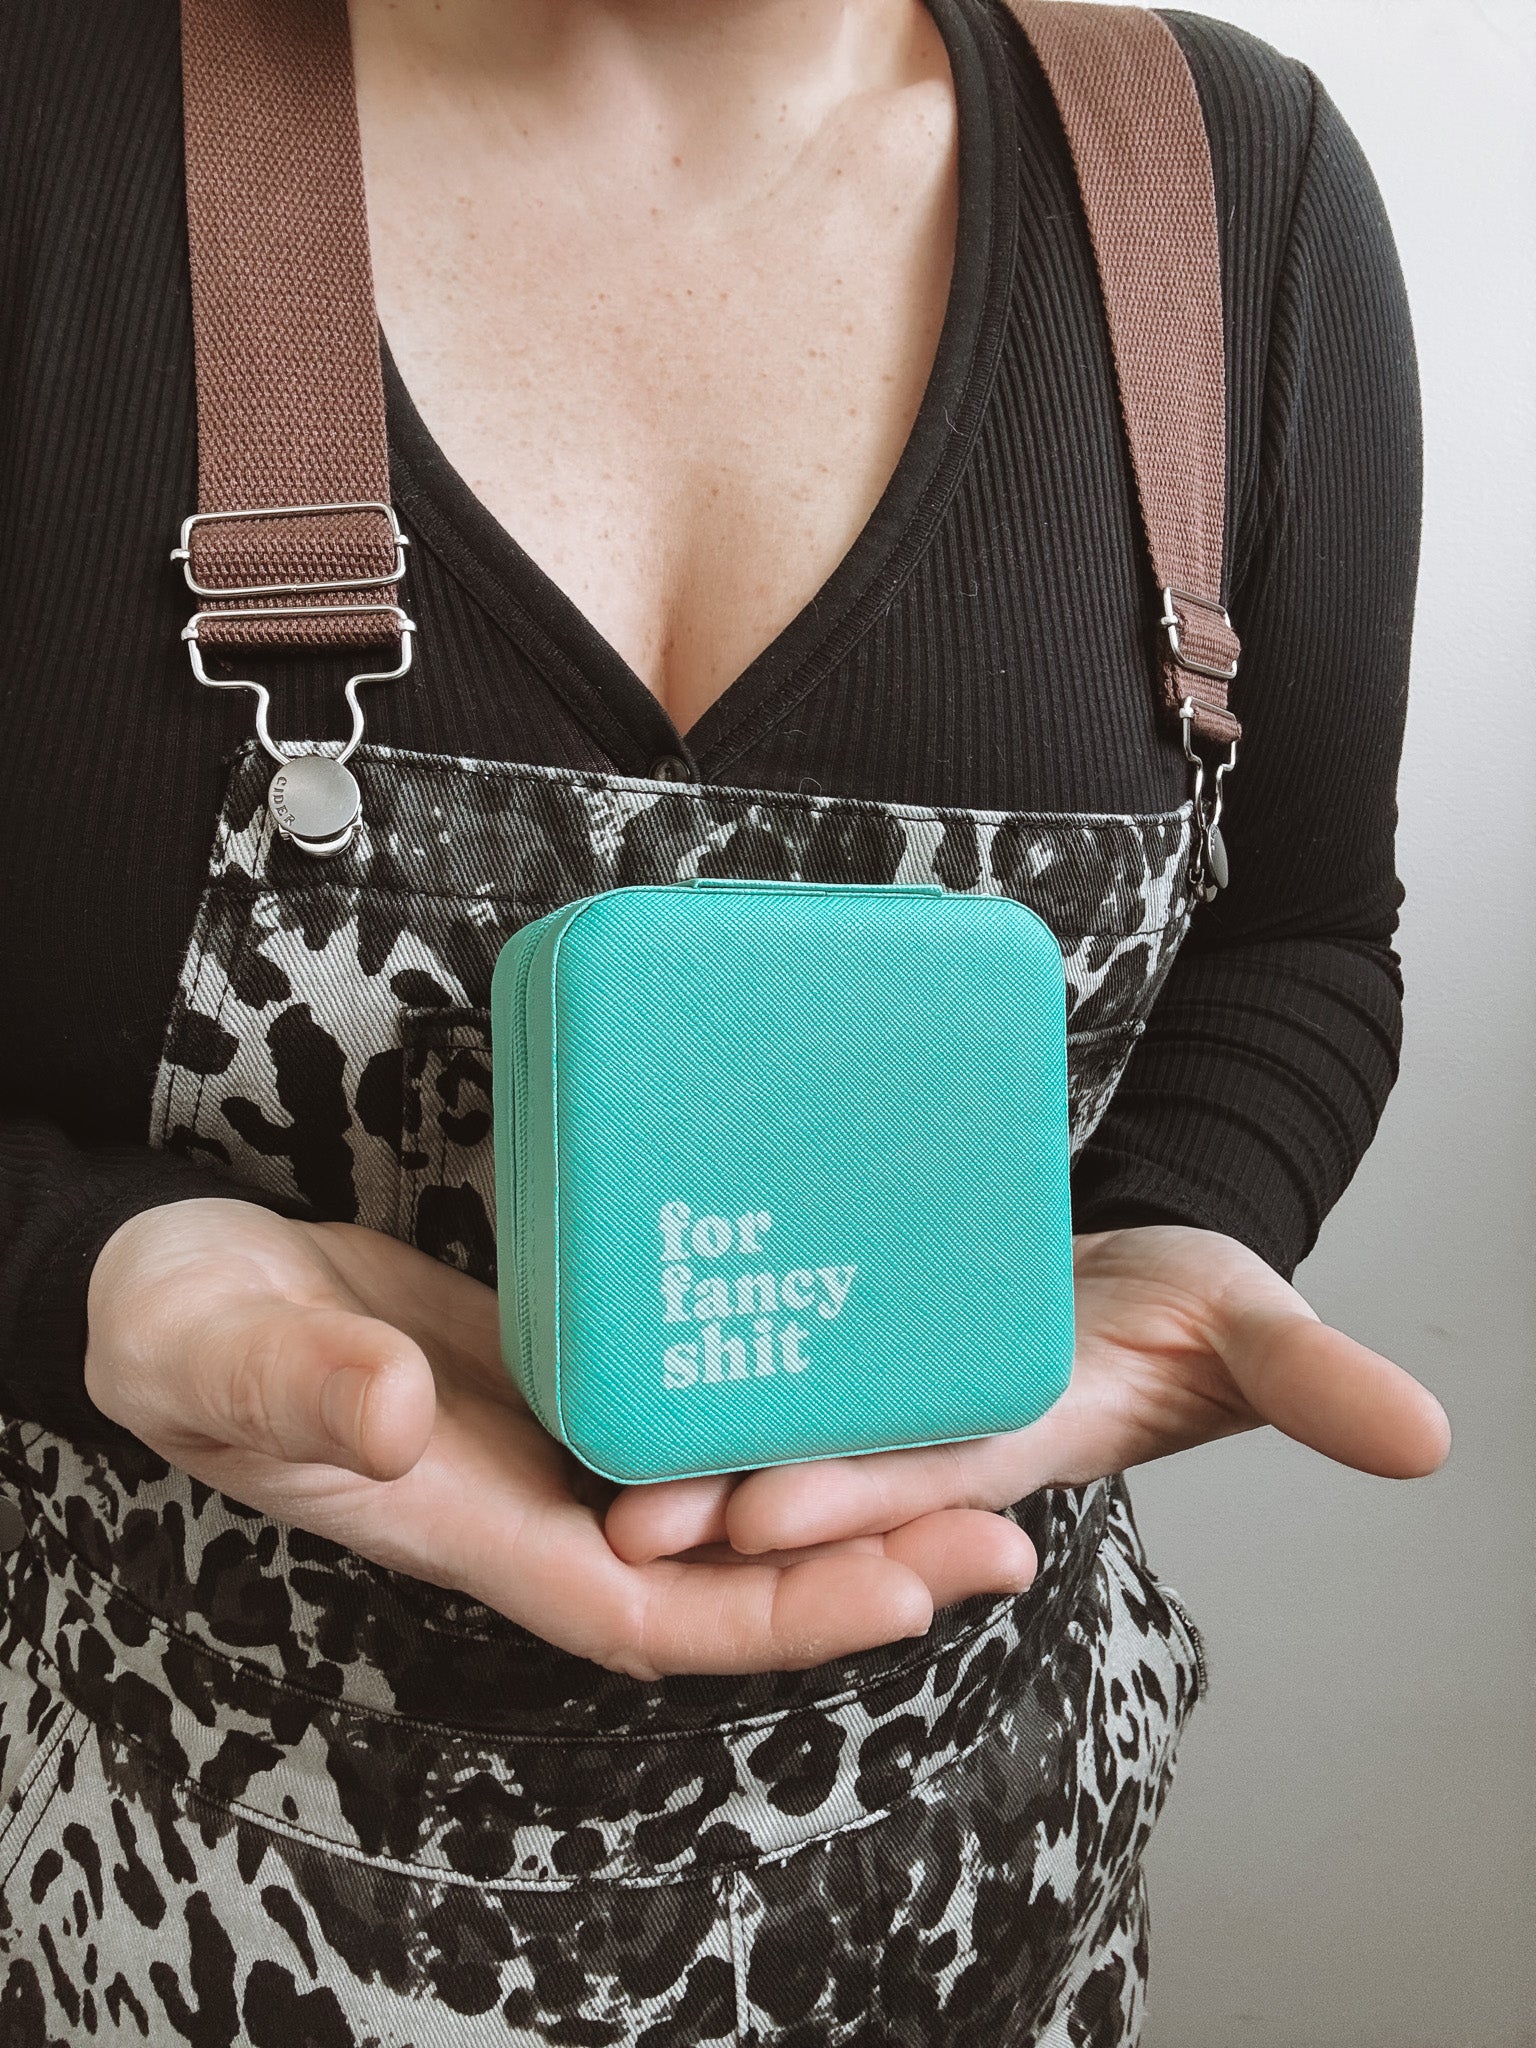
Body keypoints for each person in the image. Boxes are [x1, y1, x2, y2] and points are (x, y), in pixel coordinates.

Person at [0, 0, 1450, 2040]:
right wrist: (75, 1276)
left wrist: (1186, 1219)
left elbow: (1302, 933)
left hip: (983, 1897)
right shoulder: (47, 122)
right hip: (156, 1913)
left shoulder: (1233, 192)